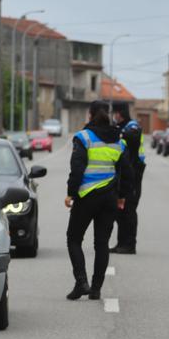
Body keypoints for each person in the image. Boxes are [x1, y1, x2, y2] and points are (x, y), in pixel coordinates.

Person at [65, 100, 130, 300]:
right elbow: (127, 171)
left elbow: (77, 169)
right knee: (101, 243)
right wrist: (121, 197)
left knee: (74, 239)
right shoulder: (118, 140)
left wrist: (71, 193)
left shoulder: (84, 137)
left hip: (86, 197)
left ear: (90, 114)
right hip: (109, 198)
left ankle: (81, 282)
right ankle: (95, 289)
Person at [110, 101, 146, 255]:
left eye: (115, 113)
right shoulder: (120, 127)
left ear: (121, 113)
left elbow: (133, 135)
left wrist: (117, 133)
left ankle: (130, 245)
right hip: (124, 174)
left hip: (134, 173)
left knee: (129, 210)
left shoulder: (132, 126)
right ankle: (121, 243)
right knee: (121, 211)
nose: (114, 116)